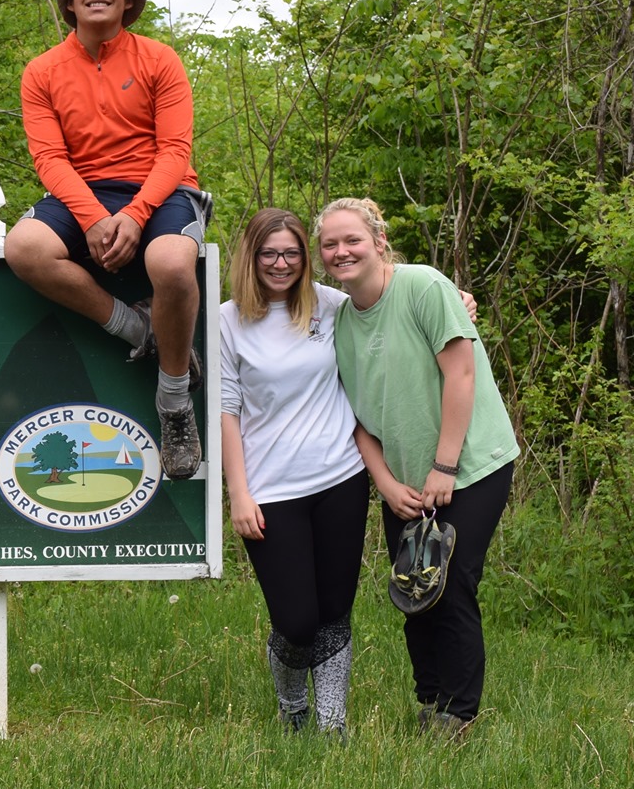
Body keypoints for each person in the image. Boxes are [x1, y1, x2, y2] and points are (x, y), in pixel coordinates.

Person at [2, 0, 210, 480]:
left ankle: (174, 402)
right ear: (70, 2)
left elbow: (175, 152)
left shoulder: (159, 59)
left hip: (161, 191)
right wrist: (93, 217)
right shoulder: (42, 71)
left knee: (169, 265)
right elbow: (48, 157)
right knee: (24, 247)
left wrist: (137, 214)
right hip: (83, 193)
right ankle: (138, 330)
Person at [317, 196, 519, 738]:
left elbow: (461, 375)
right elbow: (354, 419)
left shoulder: (424, 287)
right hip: (403, 478)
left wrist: (445, 467)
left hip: (470, 464)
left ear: (378, 240)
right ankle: (428, 699)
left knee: (450, 583)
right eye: (330, 244)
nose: (342, 252)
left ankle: (458, 714)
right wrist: (386, 483)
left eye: (352, 240)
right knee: (414, 588)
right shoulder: (337, 320)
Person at [218, 208, 366, 735]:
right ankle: (292, 706)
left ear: (306, 258)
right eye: (269, 253)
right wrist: (239, 494)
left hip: (341, 478)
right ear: (251, 257)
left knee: (335, 611)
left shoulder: (331, 307)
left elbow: (388, 302)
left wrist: (454, 298)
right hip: (271, 489)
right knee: (297, 620)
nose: (281, 264)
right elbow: (225, 410)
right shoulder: (227, 321)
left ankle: (331, 725)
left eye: (292, 253)